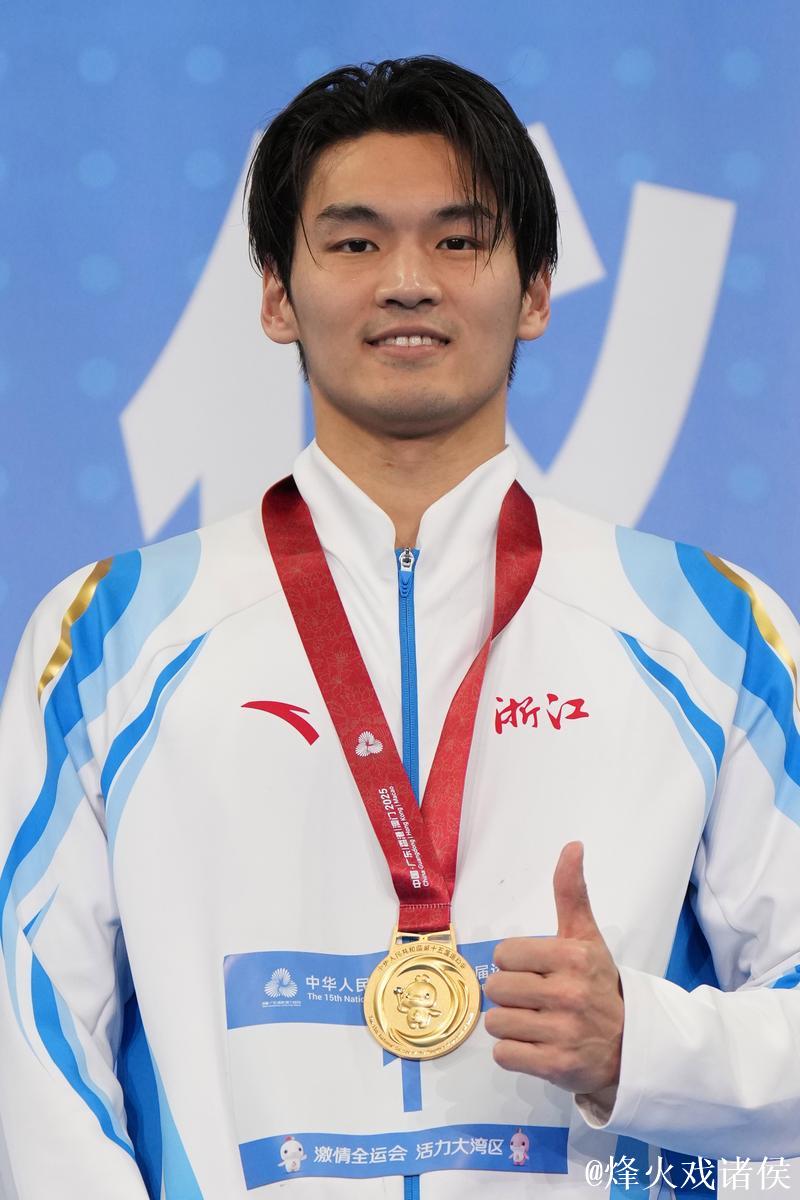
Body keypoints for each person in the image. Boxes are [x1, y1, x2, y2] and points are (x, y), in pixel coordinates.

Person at [1, 54, 799, 1199]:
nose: (408, 282)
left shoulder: (708, 628)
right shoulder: (109, 639)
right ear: (276, 295)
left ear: (535, 291)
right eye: (354, 242)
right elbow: (31, 1029)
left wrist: (649, 1048)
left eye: (458, 240)